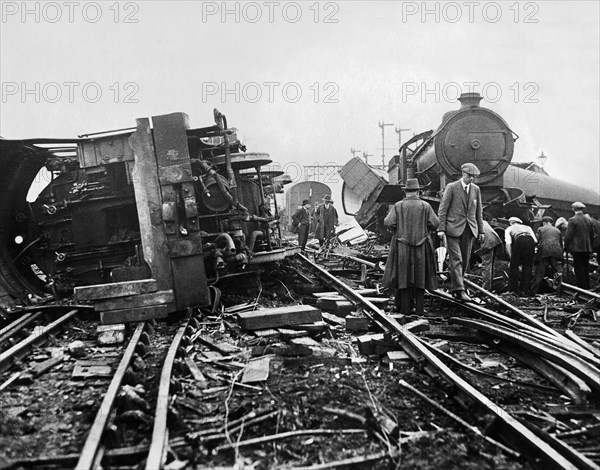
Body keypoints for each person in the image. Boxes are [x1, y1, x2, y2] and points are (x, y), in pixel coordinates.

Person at [383, 179, 439, 314]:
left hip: (402, 247)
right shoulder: (425, 206)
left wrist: (397, 228)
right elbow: (435, 223)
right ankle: (420, 310)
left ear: (406, 192)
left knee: (403, 277)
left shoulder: (398, 206)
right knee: (420, 278)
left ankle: (404, 310)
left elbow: (388, 222)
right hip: (421, 246)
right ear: (418, 191)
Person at [437, 163, 484, 302]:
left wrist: (481, 230)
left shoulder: (476, 189)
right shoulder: (451, 187)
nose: (472, 179)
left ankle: (456, 286)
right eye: (470, 176)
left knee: (465, 260)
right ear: (463, 174)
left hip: (469, 229)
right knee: (456, 259)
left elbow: (478, 212)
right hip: (453, 229)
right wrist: (441, 228)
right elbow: (443, 209)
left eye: (474, 177)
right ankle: (460, 289)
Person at [564, 202, 594, 289]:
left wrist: (566, 247)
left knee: (578, 267)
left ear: (574, 209)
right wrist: (590, 246)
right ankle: (587, 287)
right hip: (587, 248)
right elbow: (592, 235)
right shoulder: (589, 220)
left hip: (577, 248)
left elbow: (568, 236)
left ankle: (581, 287)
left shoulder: (572, 220)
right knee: (585, 267)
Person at [505, 216, 537, 295]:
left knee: (514, 267)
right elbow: (535, 240)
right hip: (530, 241)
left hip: (519, 240)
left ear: (511, 223)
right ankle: (525, 290)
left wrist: (511, 257)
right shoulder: (528, 228)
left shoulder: (509, 228)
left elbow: (508, 244)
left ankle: (513, 290)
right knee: (527, 267)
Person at [531, 216, 563, 294]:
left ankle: (533, 292)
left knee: (539, 273)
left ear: (543, 222)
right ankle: (559, 291)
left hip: (544, 252)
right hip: (557, 252)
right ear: (551, 222)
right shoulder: (557, 230)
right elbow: (561, 244)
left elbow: (536, 241)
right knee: (557, 273)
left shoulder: (540, 229)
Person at [475, 220, 503, 291]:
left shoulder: (472, 223)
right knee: (490, 265)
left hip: (487, 242)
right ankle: (490, 285)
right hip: (495, 240)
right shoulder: (482, 221)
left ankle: (486, 289)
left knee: (486, 266)